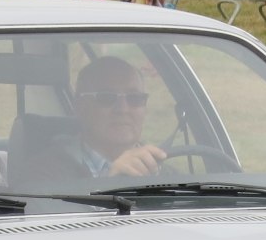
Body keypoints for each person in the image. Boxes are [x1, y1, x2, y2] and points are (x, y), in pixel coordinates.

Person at [31, 56, 169, 180]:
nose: (123, 109)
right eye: (106, 97)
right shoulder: (44, 175)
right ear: (79, 106)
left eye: (135, 98)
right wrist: (110, 184)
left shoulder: (165, 173)